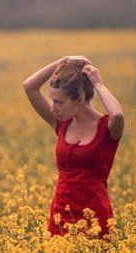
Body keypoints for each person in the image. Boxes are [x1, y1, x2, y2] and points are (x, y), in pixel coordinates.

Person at [22, 56, 124, 240]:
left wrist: (98, 84)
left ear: (79, 99)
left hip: (95, 219)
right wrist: (63, 61)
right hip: (60, 217)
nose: (53, 108)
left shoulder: (107, 128)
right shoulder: (61, 124)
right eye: (53, 101)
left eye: (59, 102)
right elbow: (29, 87)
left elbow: (117, 115)